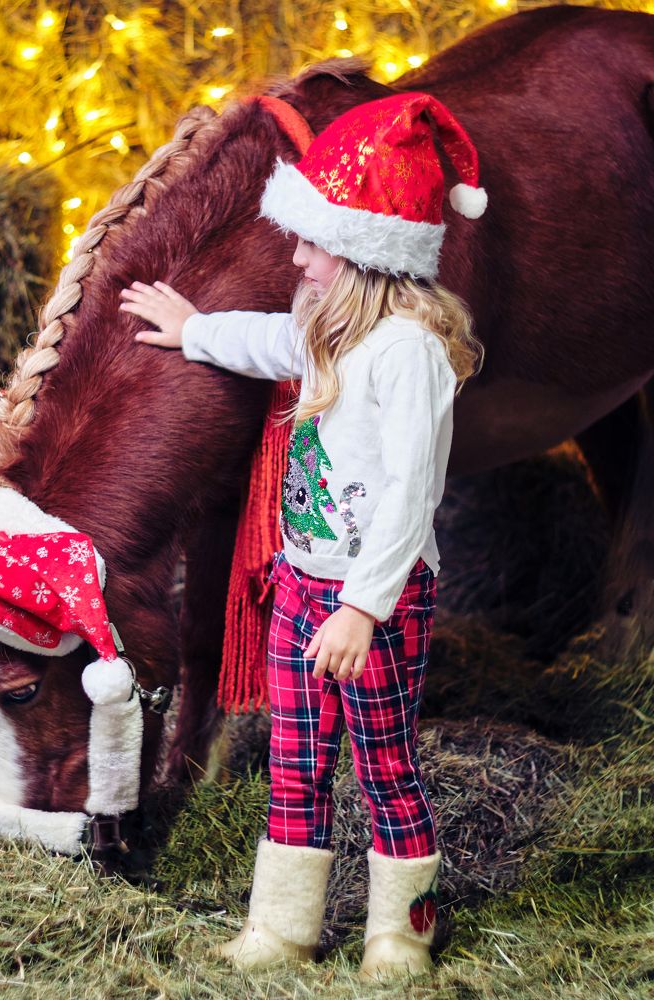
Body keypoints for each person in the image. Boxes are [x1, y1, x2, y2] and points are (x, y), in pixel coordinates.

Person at [119, 91, 486, 980]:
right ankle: (282, 927)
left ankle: (402, 930)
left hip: (376, 602)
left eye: (311, 239)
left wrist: (363, 608)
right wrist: (193, 329)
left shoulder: (410, 353)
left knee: (383, 762)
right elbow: (272, 344)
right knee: (294, 757)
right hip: (301, 584)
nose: (297, 254)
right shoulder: (330, 328)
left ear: (363, 245)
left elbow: (409, 495)